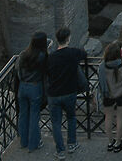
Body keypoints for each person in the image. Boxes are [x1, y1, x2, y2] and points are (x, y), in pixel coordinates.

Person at [45, 28, 89, 156]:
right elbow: (84, 54)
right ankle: (72, 144)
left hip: (53, 94)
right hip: (69, 92)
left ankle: (60, 151)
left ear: (57, 39)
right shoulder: (73, 53)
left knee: (56, 123)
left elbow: (47, 73)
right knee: (71, 117)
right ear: (68, 38)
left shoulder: (51, 57)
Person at [18, 35, 51, 153]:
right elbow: (47, 72)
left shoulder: (23, 54)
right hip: (35, 87)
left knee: (23, 115)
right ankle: (34, 144)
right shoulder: (42, 56)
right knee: (34, 116)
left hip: (22, 87)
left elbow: (18, 71)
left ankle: (23, 141)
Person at [99, 46, 122, 154]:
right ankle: (118, 143)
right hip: (121, 94)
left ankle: (110, 142)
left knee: (108, 118)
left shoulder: (102, 66)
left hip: (107, 94)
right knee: (120, 117)